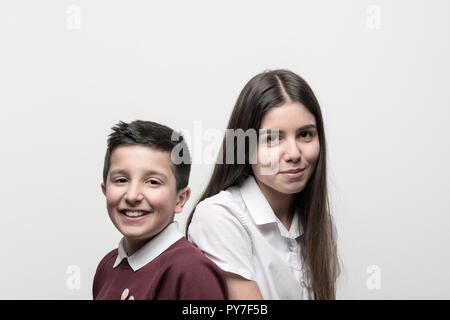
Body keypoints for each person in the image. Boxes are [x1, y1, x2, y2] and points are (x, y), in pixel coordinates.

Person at [186, 69, 341, 300]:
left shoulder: (320, 222)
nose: (294, 153)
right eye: (272, 139)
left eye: (305, 135)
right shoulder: (220, 216)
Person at [93, 120, 228, 300]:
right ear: (105, 190)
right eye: (121, 180)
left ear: (180, 199)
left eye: (153, 182)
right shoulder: (107, 267)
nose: (133, 195)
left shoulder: (191, 271)